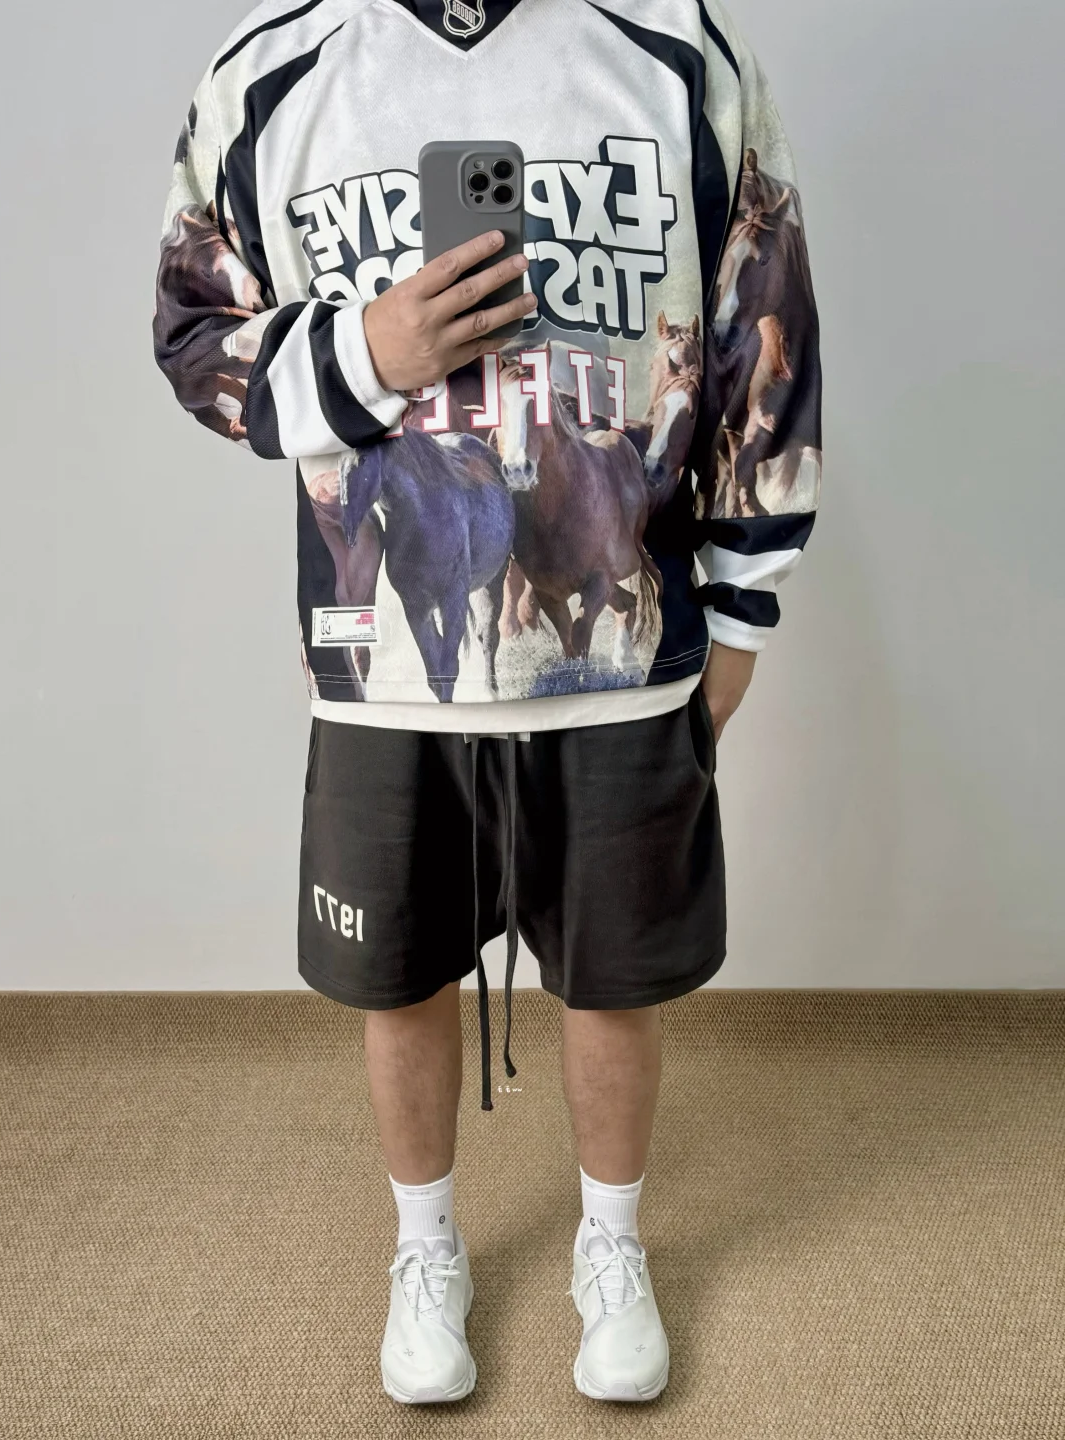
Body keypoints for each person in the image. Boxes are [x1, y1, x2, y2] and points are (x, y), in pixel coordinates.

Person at [153, 0, 822, 1406]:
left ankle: (611, 1244)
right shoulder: (269, 70)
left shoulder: (677, 49)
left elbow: (766, 326)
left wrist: (746, 600)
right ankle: (426, 1247)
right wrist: (364, 353)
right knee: (399, 975)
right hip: (384, 666)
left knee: (616, 978)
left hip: (622, 648)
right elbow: (194, 338)